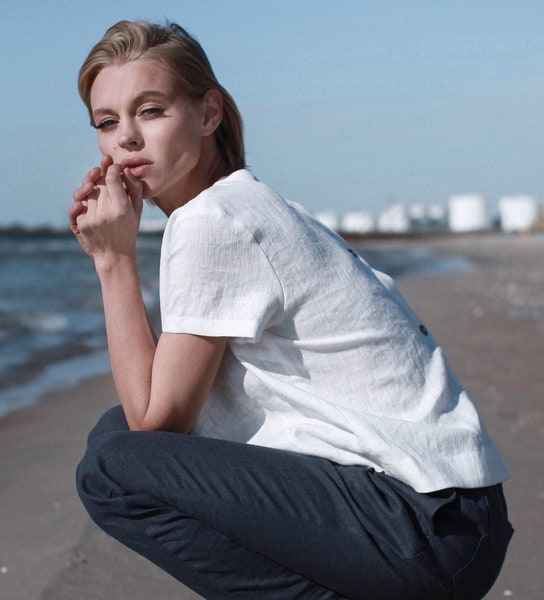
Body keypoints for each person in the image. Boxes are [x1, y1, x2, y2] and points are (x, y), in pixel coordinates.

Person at [69, 20, 513, 600]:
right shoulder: (241, 203)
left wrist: (114, 263)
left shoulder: (212, 220)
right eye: (107, 122)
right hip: (449, 516)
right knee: (112, 439)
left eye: (150, 111)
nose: (126, 138)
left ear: (208, 114)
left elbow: (157, 424)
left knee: (112, 470)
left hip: (423, 523)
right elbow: (148, 421)